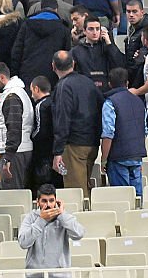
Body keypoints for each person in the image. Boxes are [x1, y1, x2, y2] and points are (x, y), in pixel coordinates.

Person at [51, 50, 104, 193]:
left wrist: (57, 152)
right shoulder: (88, 82)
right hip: (92, 142)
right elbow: (102, 107)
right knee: (86, 188)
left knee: (77, 193)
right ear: (73, 64)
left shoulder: (63, 87)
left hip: (74, 144)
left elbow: (62, 120)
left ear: (53, 66)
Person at [19, 184, 86, 275]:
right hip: (35, 275)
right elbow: (23, 243)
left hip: (60, 275)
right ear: (37, 202)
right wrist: (41, 220)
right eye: (44, 201)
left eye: (51, 201)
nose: (48, 205)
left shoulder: (64, 217)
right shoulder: (30, 218)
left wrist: (62, 215)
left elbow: (79, 234)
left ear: (56, 202)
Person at [0, 62, 35, 190]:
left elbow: (14, 128)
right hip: (20, 150)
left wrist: (8, 157)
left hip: (16, 153)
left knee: (13, 195)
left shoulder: (11, 97)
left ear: (2, 77)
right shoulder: (18, 92)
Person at [100, 67, 146, 195]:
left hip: (117, 158)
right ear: (127, 83)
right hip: (137, 155)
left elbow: (108, 134)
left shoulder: (110, 103)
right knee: (137, 200)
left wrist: (104, 160)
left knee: (122, 198)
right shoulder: (139, 102)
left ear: (110, 84)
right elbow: (145, 130)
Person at [12, 0, 70, 87]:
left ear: (41, 8)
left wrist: (15, 76)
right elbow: (67, 55)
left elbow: (17, 52)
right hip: (53, 78)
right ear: (56, 10)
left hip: (27, 75)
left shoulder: (26, 25)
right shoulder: (63, 28)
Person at [28, 76, 63, 192]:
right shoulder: (55, 102)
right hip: (57, 147)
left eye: (32, 91)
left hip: (43, 151)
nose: (32, 95)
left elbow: (39, 129)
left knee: (42, 182)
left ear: (36, 89)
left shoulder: (40, 106)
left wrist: (30, 137)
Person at [71, 16, 125, 92]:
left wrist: (109, 43)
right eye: (91, 29)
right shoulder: (76, 50)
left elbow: (119, 64)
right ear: (84, 31)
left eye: (97, 29)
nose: (95, 32)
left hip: (105, 88)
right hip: (85, 89)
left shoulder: (107, 48)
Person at [122, 0, 148, 89]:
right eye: (128, 11)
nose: (131, 15)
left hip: (142, 79)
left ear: (142, 12)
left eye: (134, 11)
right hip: (133, 76)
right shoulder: (132, 28)